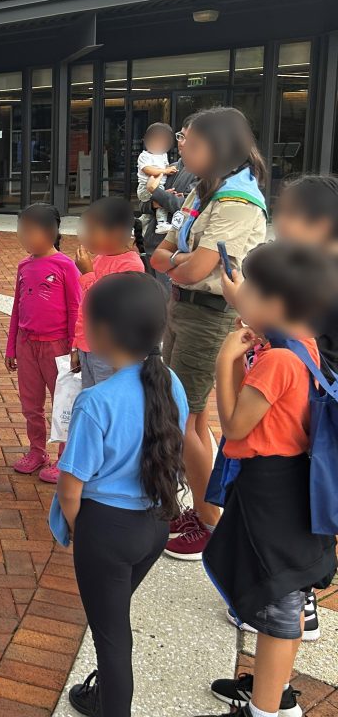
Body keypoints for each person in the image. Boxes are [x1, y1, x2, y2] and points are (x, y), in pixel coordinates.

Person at [201, 242, 338, 717]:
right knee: (286, 598)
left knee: (279, 603)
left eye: (252, 292)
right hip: (293, 485)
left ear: (277, 304)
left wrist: (225, 360)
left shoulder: (279, 360)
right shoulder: (303, 342)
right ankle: (272, 692)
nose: (241, 299)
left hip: (270, 493)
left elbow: (236, 427)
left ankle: (265, 710)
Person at [50, 272, 188, 717]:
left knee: (113, 639)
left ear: (104, 333)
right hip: (156, 524)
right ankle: (104, 696)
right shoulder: (171, 383)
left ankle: (113, 706)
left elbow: (71, 488)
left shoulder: (97, 401)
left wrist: (81, 534)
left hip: (106, 531)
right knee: (112, 621)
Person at [220, 174, 338, 645]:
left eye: (288, 214)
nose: (279, 221)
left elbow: (233, 426)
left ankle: (295, 605)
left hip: (280, 462)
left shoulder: (313, 297)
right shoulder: (307, 280)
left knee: (283, 574)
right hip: (301, 436)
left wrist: (229, 356)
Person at [150, 106, 268, 560]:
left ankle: (207, 522)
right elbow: (161, 252)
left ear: (217, 148)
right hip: (185, 309)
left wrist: (176, 261)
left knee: (185, 419)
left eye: (190, 141)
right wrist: (179, 261)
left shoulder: (237, 201)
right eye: (182, 138)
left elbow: (187, 263)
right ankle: (201, 510)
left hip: (212, 315)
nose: (182, 146)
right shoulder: (202, 191)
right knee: (190, 417)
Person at [6, 204, 81, 483]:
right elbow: (17, 308)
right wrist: (11, 346)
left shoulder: (65, 266)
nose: (22, 237)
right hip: (27, 346)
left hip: (57, 347)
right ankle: (37, 451)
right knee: (30, 404)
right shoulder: (24, 266)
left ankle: (65, 458)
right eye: (20, 231)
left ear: (50, 232)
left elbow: (77, 309)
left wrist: (75, 348)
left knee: (63, 404)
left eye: (28, 231)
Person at [71, 197, 146, 388]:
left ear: (117, 232)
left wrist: (87, 273)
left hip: (109, 350)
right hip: (88, 346)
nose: (87, 237)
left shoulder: (130, 264)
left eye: (93, 231)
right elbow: (84, 309)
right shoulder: (98, 259)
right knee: (92, 400)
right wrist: (77, 345)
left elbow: (109, 305)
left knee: (107, 401)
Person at [141, 116, 199, 287]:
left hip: (174, 250)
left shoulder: (203, 173)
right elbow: (143, 204)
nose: (182, 142)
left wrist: (156, 192)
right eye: (180, 136)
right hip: (151, 243)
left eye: (189, 138)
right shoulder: (169, 167)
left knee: (166, 303)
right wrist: (154, 201)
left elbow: (184, 206)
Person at [136, 123, 178, 234]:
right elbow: (149, 170)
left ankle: (139, 224)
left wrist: (169, 169)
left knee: (152, 210)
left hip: (159, 185)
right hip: (145, 188)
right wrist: (165, 171)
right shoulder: (144, 156)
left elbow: (166, 167)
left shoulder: (163, 155)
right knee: (161, 201)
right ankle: (161, 224)